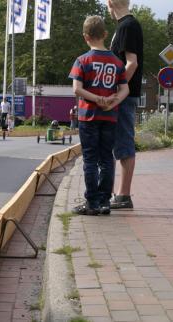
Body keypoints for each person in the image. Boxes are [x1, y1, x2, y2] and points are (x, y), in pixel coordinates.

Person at [69, 15, 129, 215]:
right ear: (105, 34)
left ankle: (92, 203)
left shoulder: (82, 60)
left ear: (85, 36)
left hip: (88, 117)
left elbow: (77, 89)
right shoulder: (117, 62)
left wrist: (96, 99)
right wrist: (112, 101)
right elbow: (125, 90)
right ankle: (104, 202)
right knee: (106, 159)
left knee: (90, 159)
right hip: (110, 117)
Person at [107, 0, 143, 209]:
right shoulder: (126, 25)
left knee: (123, 142)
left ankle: (123, 195)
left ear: (111, 2)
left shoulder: (127, 26)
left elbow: (132, 62)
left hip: (124, 97)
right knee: (119, 142)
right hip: (124, 95)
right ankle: (118, 193)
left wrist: (117, 91)